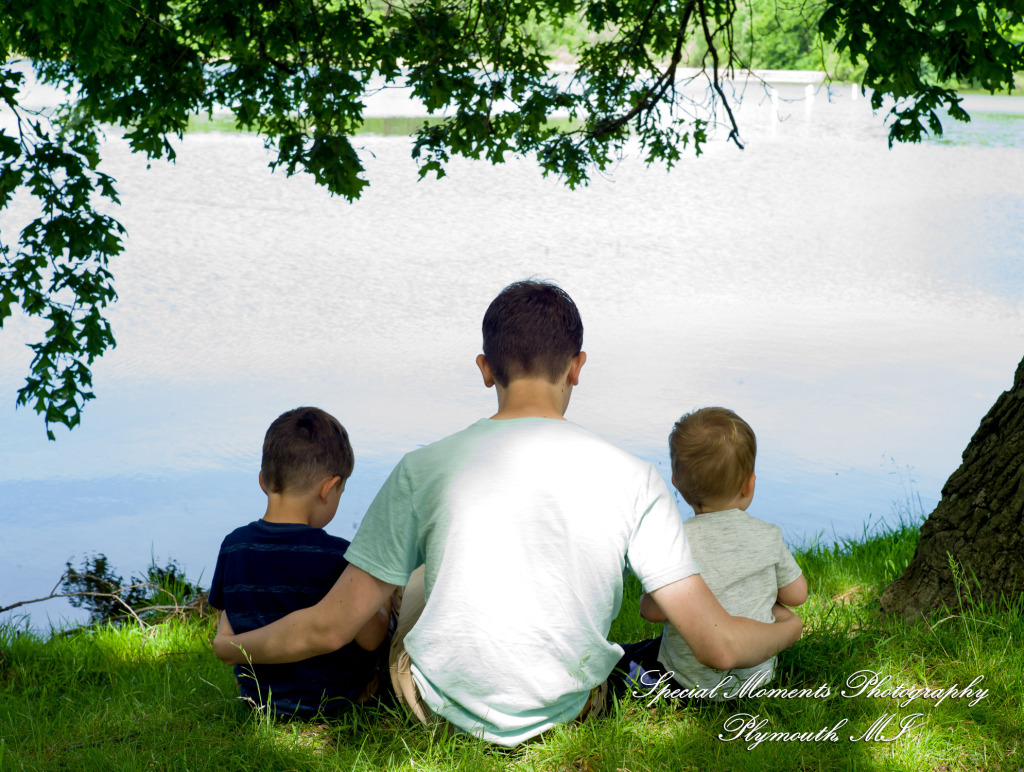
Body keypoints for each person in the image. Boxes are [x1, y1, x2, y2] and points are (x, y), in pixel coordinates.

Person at [214, 281, 803, 745]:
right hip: (569, 713)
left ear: (485, 368)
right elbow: (718, 647)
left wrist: (235, 646)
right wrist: (789, 626)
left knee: (414, 576)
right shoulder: (634, 478)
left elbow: (328, 627)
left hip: (438, 713)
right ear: (577, 366)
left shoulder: (424, 468)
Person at [209, 406, 392, 719]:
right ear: (327, 489)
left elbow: (230, 615)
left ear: (263, 481)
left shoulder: (233, 546)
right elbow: (371, 637)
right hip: (333, 702)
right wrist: (383, 598)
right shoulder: (337, 556)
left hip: (259, 702)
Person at [623, 407, 808, 701]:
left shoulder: (676, 540)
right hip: (757, 677)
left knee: (624, 660)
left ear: (678, 485)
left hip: (686, 681)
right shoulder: (768, 535)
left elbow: (652, 612)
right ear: (749, 485)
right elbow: (797, 595)